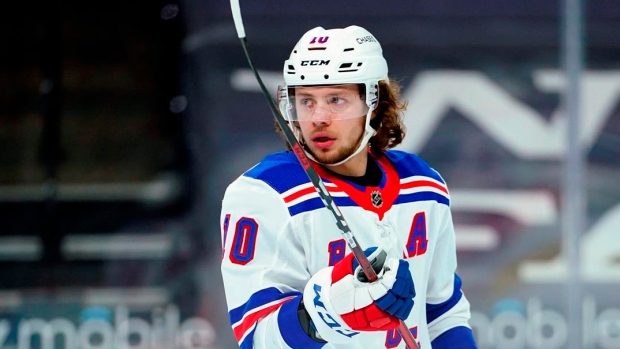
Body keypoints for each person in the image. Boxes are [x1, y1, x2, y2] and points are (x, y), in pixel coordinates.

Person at [220, 25, 478, 349]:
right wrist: (325, 311)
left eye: (336, 99)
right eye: (306, 101)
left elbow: (442, 312)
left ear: (374, 103)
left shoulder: (424, 185)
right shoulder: (264, 194)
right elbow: (256, 337)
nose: (319, 117)